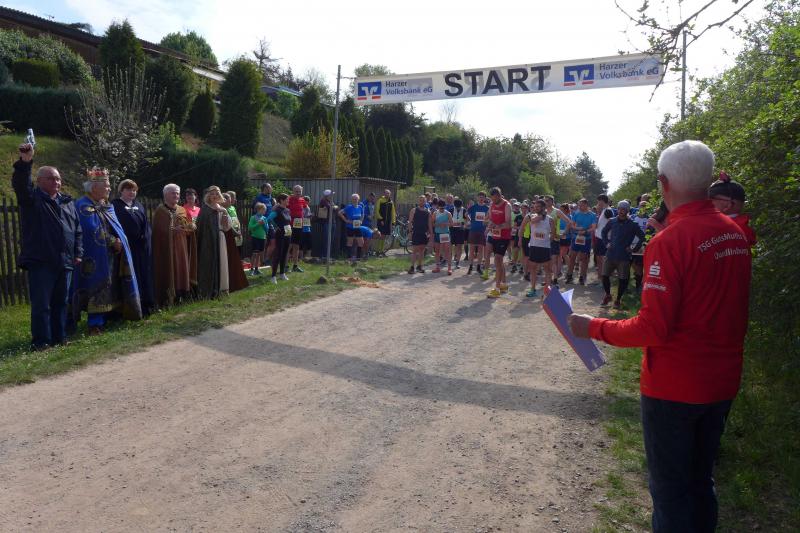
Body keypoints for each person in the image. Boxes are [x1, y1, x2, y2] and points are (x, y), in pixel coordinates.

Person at [568, 140, 752, 533]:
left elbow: (652, 328)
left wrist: (593, 327)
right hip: (722, 381)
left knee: (671, 493)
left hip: (674, 388)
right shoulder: (735, 234)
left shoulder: (669, 241)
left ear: (664, 183)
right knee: (701, 482)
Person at [12, 143, 82, 350]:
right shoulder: (32, 199)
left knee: (61, 303)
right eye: (51, 178)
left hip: (65, 261)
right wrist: (25, 163)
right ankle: (41, 341)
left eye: (58, 178)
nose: (56, 182)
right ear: (40, 181)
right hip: (41, 261)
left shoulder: (67, 203)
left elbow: (77, 230)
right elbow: (21, 186)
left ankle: (59, 337)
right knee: (42, 305)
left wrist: (78, 252)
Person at [71, 168, 142, 334]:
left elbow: (114, 227)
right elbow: (91, 230)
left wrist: (119, 240)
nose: (109, 189)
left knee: (111, 285)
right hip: (93, 256)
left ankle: (109, 316)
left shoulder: (106, 205)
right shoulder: (83, 205)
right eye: (107, 186)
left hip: (111, 254)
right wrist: (112, 241)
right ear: (94, 187)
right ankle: (94, 323)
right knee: (96, 286)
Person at [111, 180, 154, 316]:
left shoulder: (139, 205)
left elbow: (146, 225)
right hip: (126, 250)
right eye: (128, 189)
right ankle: (127, 308)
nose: (132, 192)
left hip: (140, 249)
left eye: (134, 190)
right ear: (121, 190)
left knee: (143, 275)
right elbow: (113, 226)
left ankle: (145, 305)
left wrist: (145, 237)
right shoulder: (115, 206)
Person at [152, 184, 197, 308]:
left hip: (181, 247)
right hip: (167, 249)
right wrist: (171, 231)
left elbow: (188, 226)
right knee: (170, 269)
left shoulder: (182, 210)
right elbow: (157, 233)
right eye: (173, 193)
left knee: (182, 269)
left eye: (177, 193)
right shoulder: (160, 211)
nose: (176, 195)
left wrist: (190, 227)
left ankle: (182, 294)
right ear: (165, 194)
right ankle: (169, 298)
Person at [600, 200, 645, 308]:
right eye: (619, 209)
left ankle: (618, 300)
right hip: (610, 254)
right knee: (604, 276)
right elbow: (603, 232)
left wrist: (633, 248)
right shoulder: (612, 221)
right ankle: (608, 295)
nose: (621, 211)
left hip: (624, 256)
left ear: (627, 210)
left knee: (623, 279)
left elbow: (642, 237)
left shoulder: (632, 224)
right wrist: (606, 243)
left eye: (624, 209)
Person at [196, 187, 234, 298]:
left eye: (217, 193)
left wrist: (224, 213)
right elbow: (200, 227)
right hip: (207, 241)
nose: (215, 196)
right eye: (212, 194)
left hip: (220, 238)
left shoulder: (222, 209)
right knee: (208, 263)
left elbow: (226, 227)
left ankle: (221, 289)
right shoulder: (205, 209)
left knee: (221, 263)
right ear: (208, 196)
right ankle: (207, 290)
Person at [708, 172, 756, 246]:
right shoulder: (744, 229)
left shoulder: (720, 229)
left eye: (711, 199)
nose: (707, 202)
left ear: (728, 205)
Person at [523, 198, 555, 297]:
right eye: (535, 206)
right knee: (533, 269)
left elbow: (553, 234)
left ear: (543, 207)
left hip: (545, 247)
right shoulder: (531, 216)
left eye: (538, 207)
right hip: (533, 246)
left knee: (547, 270)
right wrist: (520, 239)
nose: (536, 208)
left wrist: (547, 242)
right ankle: (533, 289)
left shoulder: (550, 219)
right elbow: (526, 225)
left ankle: (548, 291)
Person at [486, 187, 512, 298]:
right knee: (499, 261)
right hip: (493, 235)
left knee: (497, 259)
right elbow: (490, 219)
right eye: (492, 198)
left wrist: (498, 226)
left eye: (495, 198)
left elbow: (508, 223)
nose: (493, 200)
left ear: (500, 195)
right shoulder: (491, 204)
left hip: (504, 236)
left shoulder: (507, 205)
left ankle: (497, 289)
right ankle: (504, 284)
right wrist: (489, 225)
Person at [566, 198, 596, 285]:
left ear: (586, 205)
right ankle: (569, 276)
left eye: (581, 205)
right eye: (579, 205)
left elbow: (594, 227)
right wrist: (578, 229)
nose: (579, 207)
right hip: (576, 237)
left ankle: (582, 277)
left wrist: (585, 231)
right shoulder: (576, 213)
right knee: (572, 257)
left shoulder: (592, 215)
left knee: (584, 259)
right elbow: (572, 224)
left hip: (586, 238)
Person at [266, 193, 291, 284]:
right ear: (281, 200)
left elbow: (287, 221)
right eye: (287, 199)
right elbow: (268, 219)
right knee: (278, 254)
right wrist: (276, 227)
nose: (288, 201)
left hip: (288, 233)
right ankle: (273, 276)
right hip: (280, 234)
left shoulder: (287, 210)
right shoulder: (277, 210)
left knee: (284, 253)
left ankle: (282, 273)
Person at [467, 191, 489, 275]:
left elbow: (489, 218)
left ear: (485, 198)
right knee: (472, 249)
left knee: (480, 249)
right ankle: (470, 266)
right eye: (480, 197)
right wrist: (470, 221)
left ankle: (478, 267)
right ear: (477, 198)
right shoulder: (473, 207)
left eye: (483, 197)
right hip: (473, 230)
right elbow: (466, 214)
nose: (481, 198)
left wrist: (486, 224)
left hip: (482, 231)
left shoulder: (487, 208)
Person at [339, 193, 365, 264]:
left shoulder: (360, 207)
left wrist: (361, 221)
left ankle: (358, 257)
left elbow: (363, 214)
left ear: (358, 199)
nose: (355, 200)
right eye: (353, 199)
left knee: (361, 242)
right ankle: (349, 257)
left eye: (356, 199)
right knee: (350, 242)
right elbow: (340, 213)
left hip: (357, 226)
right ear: (351, 200)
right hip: (350, 227)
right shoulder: (349, 207)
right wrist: (346, 220)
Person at [287, 185, 308, 273]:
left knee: (296, 245)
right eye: (296, 191)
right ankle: (285, 266)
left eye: (300, 191)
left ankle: (295, 266)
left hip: (299, 225)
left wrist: (304, 216)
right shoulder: (289, 199)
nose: (298, 193)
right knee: (288, 245)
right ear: (293, 191)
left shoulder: (302, 200)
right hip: (289, 225)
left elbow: (306, 208)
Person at [408, 196, 430, 274]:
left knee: (422, 250)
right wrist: (410, 232)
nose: (422, 202)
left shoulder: (428, 211)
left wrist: (430, 233)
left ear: (426, 202)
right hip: (416, 232)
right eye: (420, 200)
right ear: (418, 201)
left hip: (424, 233)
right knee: (414, 250)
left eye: (423, 201)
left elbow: (429, 223)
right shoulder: (414, 210)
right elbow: (410, 222)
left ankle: (419, 266)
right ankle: (412, 267)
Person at [431, 199, 454, 275]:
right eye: (440, 208)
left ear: (445, 206)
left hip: (445, 234)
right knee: (437, 251)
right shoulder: (435, 213)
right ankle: (437, 267)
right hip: (437, 233)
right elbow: (432, 223)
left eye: (443, 208)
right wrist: (438, 225)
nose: (442, 209)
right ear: (438, 206)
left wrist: (446, 224)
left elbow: (452, 224)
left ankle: (449, 268)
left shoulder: (448, 213)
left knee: (447, 251)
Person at [593, 194, 614, 277]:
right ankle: (600, 277)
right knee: (598, 258)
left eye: (598, 201)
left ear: (602, 201)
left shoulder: (608, 211)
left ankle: (604, 278)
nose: (597, 203)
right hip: (599, 238)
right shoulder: (604, 210)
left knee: (602, 258)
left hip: (604, 239)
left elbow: (611, 224)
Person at [248, 203, 268, 275]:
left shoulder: (264, 218)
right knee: (255, 254)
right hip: (255, 238)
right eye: (263, 210)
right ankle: (251, 269)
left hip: (262, 238)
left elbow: (267, 229)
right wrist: (258, 224)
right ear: (258, 209)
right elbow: (250, 227)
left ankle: (257, 269)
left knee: (259, 254)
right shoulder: (253, 218)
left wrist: (264, 224)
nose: (264, 211)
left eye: (265, 210)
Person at [375, 189, 396, 255]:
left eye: (388, 193)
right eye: (386, 193)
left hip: (388, 221)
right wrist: (381, 219)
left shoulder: (391, 202)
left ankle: (382, 251)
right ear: (384, 194)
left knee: (384, 236)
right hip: (381, 221)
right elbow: (376, 210)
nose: (387, 194)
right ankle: (377, 251)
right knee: (380, 235)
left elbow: (393, 212)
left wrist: (393, 221)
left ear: (390, 194)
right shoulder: (380, 200)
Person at [317, 189, 336, 260]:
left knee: (331, 240)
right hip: (326, 223)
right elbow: (330, 208)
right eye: (331, 195)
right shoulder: (323, 201)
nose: (332, 196)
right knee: (326, 239)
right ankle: (324, 256)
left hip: (332, 222)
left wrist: (334, 207)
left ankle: (328, 255)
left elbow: (335, 208)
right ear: (327, 195)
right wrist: (334, 207)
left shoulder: (330, 201)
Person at [450, 198, 469, 269]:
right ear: (454, 205)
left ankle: (457, 262)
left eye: (459, 207)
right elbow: (448, 220)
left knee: (459, 246)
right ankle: (449, 261)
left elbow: (468, 219)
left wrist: (464, 225)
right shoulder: (451, 210)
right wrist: (451, 223)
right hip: (452, 230)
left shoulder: (464, 210)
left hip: (460, 230)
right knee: (450, 246)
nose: (458, 208)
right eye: (457, 207)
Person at [509, 202, 524, 274]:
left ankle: (521, 264)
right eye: (515, 206)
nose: (516, 207)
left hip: (526, 236)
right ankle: (514, 262)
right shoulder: (516, 216)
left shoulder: (529, 216)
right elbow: (513, 225)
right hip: (515, 233)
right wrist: (519, 228)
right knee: (514, 248)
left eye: (517, 206)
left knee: (523, 250)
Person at [301, 195, 313, 260]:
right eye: (306, 201)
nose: (307, 203)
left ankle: (308, 257)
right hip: (301, 227)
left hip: (307, 227)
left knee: (309, 243)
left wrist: (310, 217)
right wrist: (308, 217)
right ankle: (301, 257)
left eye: (308, 201)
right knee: (301, 243)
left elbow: (308, 218)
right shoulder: (301, 207)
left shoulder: (308, 207)